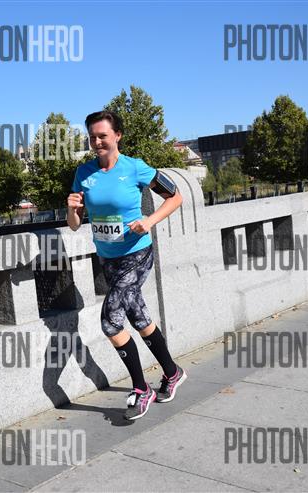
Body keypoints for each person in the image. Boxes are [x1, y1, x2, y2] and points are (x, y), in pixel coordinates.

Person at [66, 110, 187, 420]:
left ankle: (141, 389)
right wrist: (72, 210)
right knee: (138, 315)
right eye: (92, 137)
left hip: (137, 253)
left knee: (110, 322)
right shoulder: (84, 173)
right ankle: (172, 372)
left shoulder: (135, 168)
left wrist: (149, 221)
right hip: (107, 257)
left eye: (103, 136)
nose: (97, 142)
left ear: (117, 136)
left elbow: (175, 197)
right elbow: (75, 225)